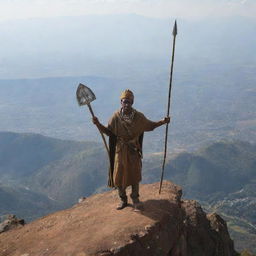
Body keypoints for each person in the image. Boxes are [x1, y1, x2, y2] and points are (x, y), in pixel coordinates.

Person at [92, 89, 170, 211]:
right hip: (120, 151)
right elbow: (109, 132)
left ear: (132, 102)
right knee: (118, 176)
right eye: (124, 102)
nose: (126, 104)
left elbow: (151, 125)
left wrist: (162, 122)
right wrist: (98, 124)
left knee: (134, 176)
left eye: (129, 102)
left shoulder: (139, 117)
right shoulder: (115, 117)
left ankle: (135, 200)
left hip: (133, 151)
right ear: (121, 102)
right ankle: (123, 199)